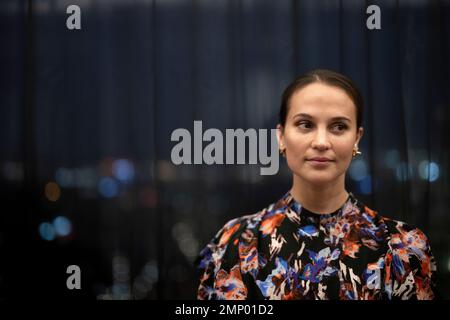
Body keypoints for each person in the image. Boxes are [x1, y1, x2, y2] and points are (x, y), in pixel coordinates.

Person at [195, 69, 437, 300]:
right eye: (305, 124)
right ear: (281, 137)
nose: (321, 141)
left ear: (357, 138)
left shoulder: (403, 247)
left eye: (339, 127)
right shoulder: (237, 245)